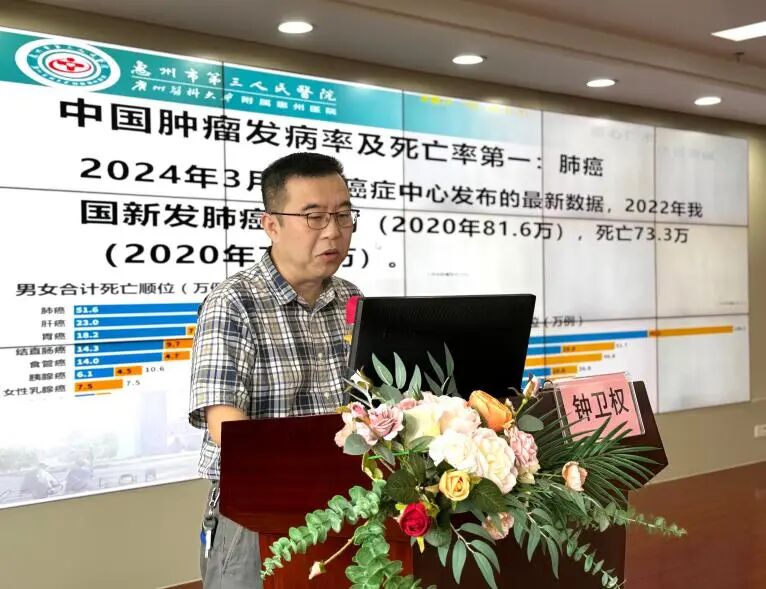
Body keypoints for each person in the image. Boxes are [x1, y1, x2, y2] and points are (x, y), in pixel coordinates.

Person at [188, 152, 362, 589]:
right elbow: (224, 424)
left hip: (347, 506)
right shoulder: (233, 301)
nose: (333, 232)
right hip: (258, 514)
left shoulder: (351, 299)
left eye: (343, 215)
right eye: (314, 217)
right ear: (271, 225)